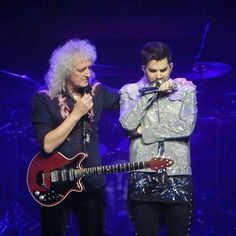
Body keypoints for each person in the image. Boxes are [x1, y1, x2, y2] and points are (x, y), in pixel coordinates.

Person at [31, 39, 120, 236]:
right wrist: (76, 113)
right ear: (65, 71)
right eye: (81, 69)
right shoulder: (44, 99)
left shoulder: (97, 92)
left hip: (90, 182)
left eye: (89, 67)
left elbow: (130, 98)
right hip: (55, 182)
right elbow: (47, 144)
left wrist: (161, 84)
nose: (88, 73)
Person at [119, 41, 197, 236]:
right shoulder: (129, 92)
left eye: (164, 70)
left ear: (171, 66)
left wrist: (144, 132)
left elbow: (186, 127)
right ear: (143, 68)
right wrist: (150, 93)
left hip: (177, 174)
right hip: (142, 174)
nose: (159, 76)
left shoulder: (186, 89)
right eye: (153, 71)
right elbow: (128, 124)